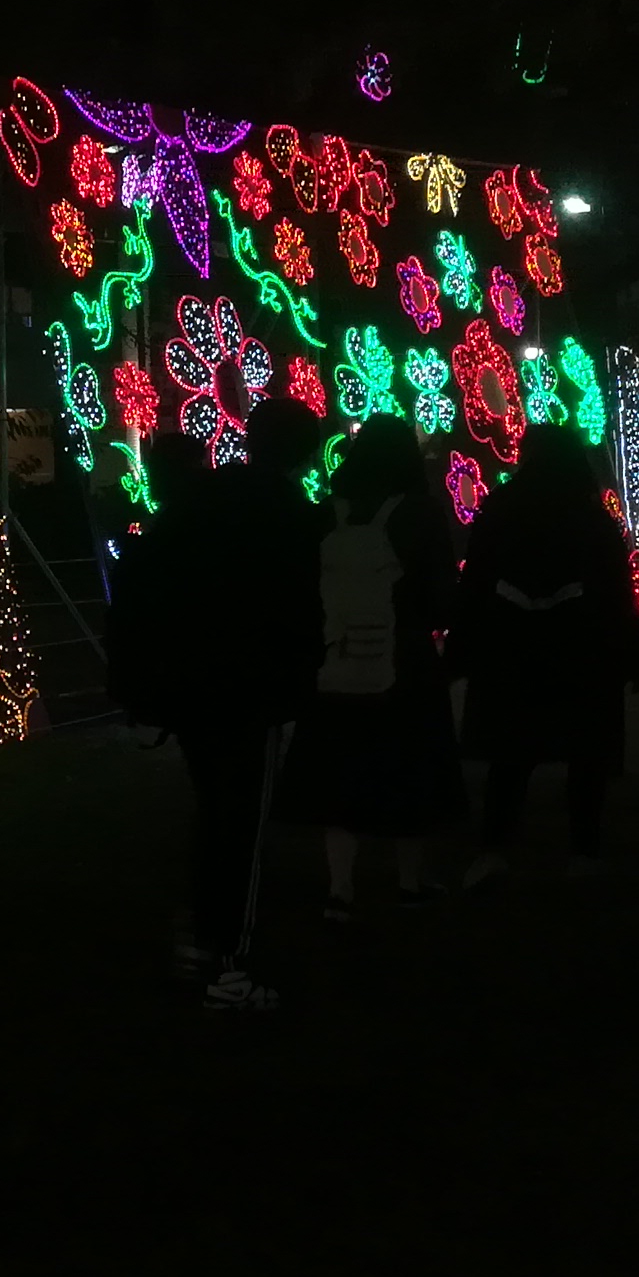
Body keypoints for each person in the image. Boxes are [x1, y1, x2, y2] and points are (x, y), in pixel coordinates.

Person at [105, 401, 327, 1011]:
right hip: (248, 689)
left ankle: (201, 940)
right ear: (303, 452)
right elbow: (298, 606)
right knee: (242, 824)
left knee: (216, 811)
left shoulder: (201, 501)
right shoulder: (285, 512)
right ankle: (230, 962)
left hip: (190, 687)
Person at [274, 417, 465, 915]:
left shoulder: (327, 512)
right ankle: (410, 882)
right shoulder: (420, 512)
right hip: (405, 660)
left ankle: (340, 888)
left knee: (340, 773)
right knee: (409, 769)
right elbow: (442, 596)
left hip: (335, 658)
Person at [452, 426, 639, 879]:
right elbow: (616, 593)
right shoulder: (590, 518)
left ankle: (493, 850)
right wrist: (636, 652)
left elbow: (475, 582)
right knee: (586, 757)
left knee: (510, 756)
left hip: (512, 648)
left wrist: (462, 647)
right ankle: (583, 852)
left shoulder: (501, 509)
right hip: (582, 651)